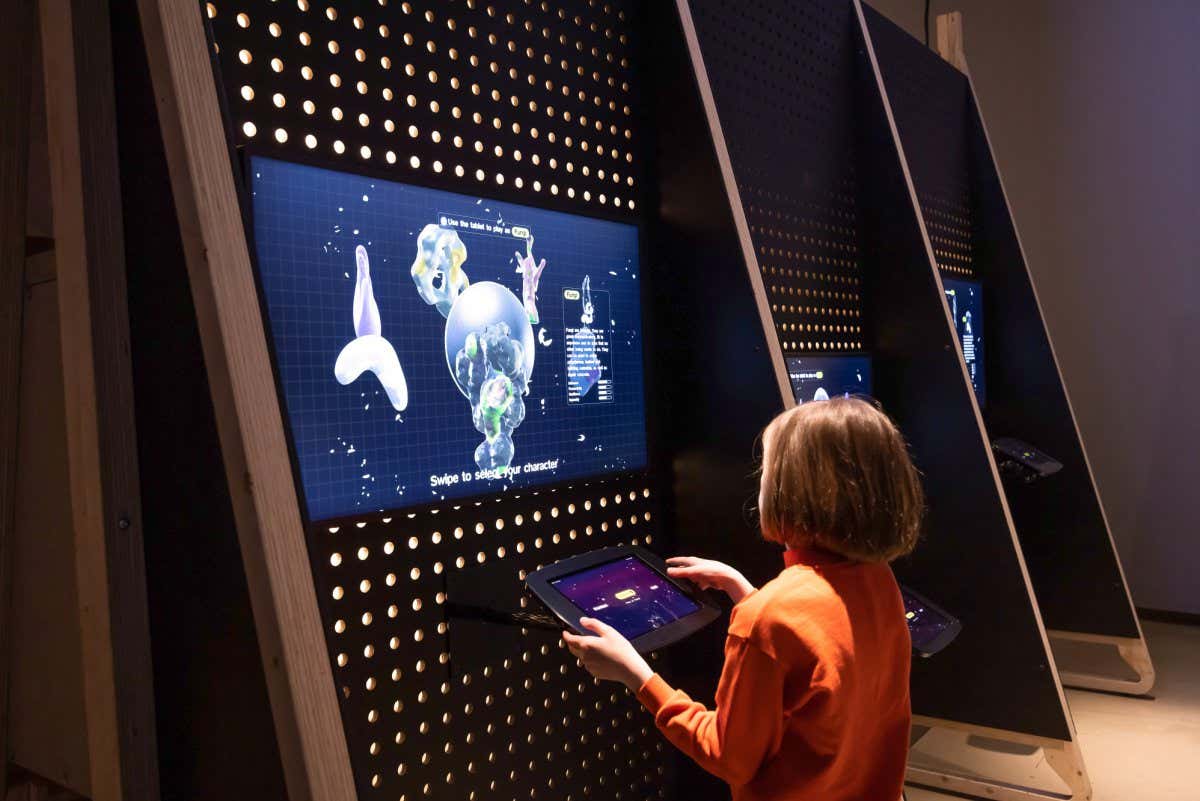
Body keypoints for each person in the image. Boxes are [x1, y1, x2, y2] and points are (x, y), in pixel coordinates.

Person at [563, 398, 923, 801]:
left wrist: (636, 674)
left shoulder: (768, 618)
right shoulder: (878, 577)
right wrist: (745, 591)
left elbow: (728, 756)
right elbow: (821, 662)